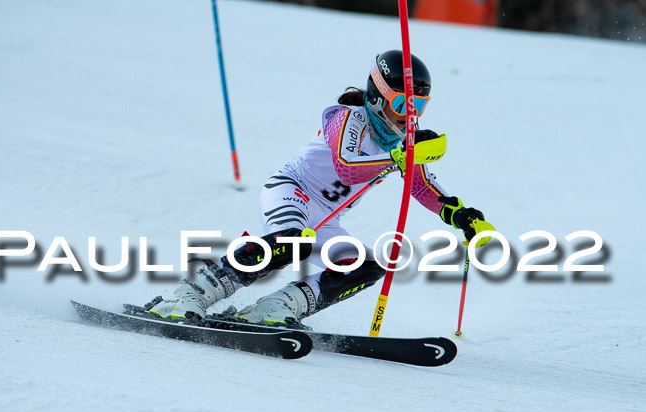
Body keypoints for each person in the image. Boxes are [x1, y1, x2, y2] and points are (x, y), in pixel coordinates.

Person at [142, 50, 493, 327]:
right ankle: (189, 294)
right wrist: (398, 157)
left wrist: (459, 214)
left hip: (326, 217)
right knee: (292, 242)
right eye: (403, 104)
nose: (410, 116)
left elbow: (421, 185)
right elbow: (347, 166)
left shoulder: (404, 141)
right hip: (291, 190)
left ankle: (273, 308)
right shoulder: (345, 117)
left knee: (367, 265)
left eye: (419, 106)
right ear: (377, 97)